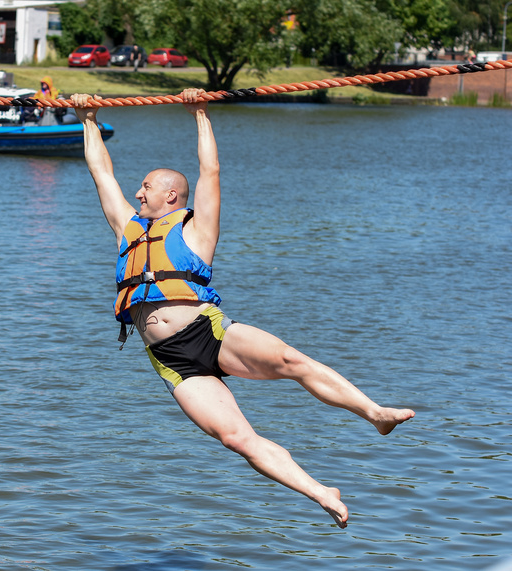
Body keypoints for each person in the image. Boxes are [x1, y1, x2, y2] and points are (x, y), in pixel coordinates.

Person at [71, 89, 415, 529]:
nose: (137, 193)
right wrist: (87, 118)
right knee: (237, 438)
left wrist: (199, 111)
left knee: (293, 361)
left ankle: (375, 413)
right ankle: (320, 492)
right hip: (171, 361)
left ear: (172, 195)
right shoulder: (128, 228)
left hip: (208, 332)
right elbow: (101, 172)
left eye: (147, 187)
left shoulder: (197, 230)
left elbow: (210, 170)